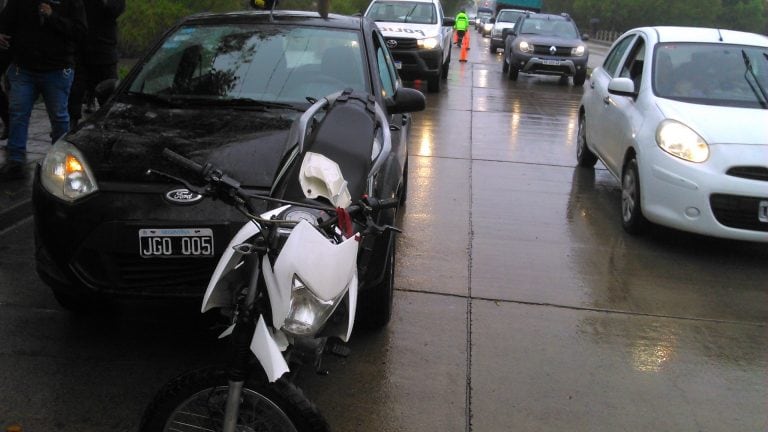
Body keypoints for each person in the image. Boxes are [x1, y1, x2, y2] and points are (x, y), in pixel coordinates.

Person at [0, 0, 87, 180]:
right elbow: (6, 21)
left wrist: (52, 17)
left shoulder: (72, 3)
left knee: (59, 117)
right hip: (23, 68)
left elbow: (79, 32)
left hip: (57, 68)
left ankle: (60, 159)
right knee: (18, 113)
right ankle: (15, 161)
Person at [68, 0, 125, 131]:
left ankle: (110, 126)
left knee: (109, 94)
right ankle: (72, 125)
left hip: (105, 50)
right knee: (75, 92)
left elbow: (116, 9)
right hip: (81, 49)